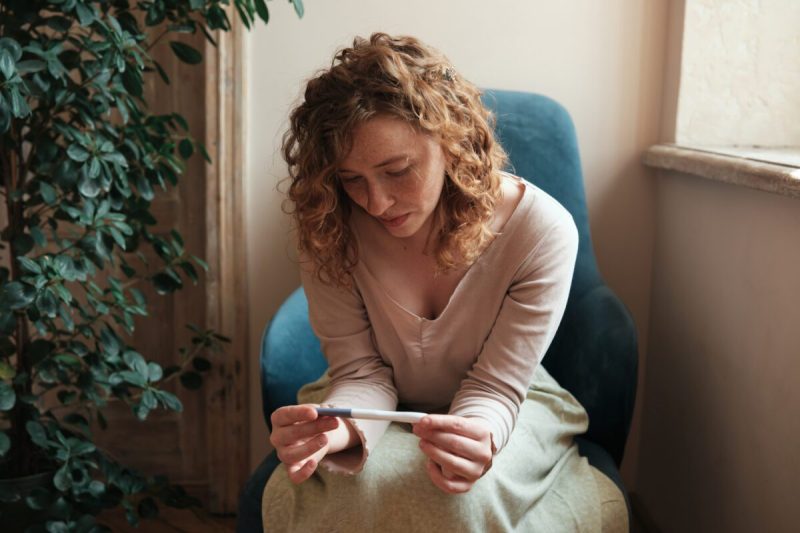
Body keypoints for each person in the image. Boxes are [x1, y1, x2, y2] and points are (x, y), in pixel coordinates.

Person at [263, 33, 625, 532]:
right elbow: (363, 372)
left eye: (397, 170)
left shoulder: (540, 231)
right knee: (352, 487)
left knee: (458, 500)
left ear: (451, 141)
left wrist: (477, 435)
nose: (376, 202)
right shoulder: (330, 224)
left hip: (508, 400)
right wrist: (338, 429)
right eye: (352, 179)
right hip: (371, 398)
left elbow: (495, 385)